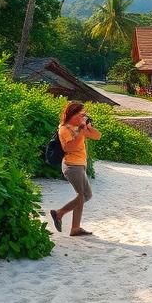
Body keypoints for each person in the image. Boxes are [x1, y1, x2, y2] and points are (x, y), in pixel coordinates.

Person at [49, 101, 101, 237]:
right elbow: (69, 147)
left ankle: (75, 228)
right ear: (72, 114)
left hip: (80, 165)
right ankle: (59, 213)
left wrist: (87, 127)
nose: (82, 117)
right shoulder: (64, 128)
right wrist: (80, 130)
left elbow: (97, 136)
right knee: (82, 195)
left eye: (84, 115)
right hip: (71, 166)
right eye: (81, 115)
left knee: (85, 195)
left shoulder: (78, 127)